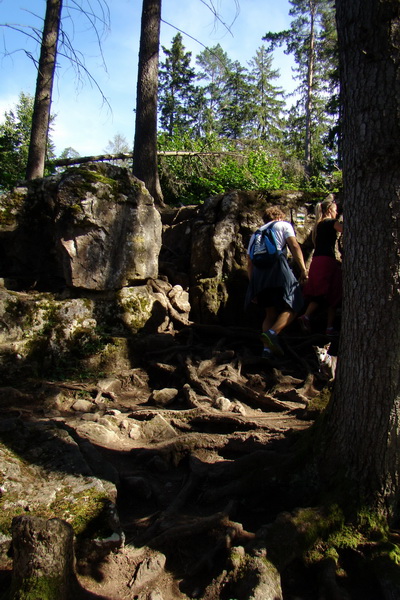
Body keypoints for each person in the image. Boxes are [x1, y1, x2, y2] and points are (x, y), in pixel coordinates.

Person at [245, 205, 308, 357]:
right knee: (295, 304)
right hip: (278, 270)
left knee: (270, 313)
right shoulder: (283, 225)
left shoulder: (256, 234)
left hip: (259, 276)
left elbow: (249, 262)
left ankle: (266, 351)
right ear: (279, 216)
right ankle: (272, 334)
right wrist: (304, 269)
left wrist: (253, 287)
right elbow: (294, 245)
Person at [298, 195, 343, 335]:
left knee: (325, 292)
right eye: (335, 209)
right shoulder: (331, 222)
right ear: (330, 209)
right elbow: (343, 229)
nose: (336, 212)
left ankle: (324, 325)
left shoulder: (318, 225)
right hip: (327, 260)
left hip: (317, 261)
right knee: (330, 292)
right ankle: (311, 318)